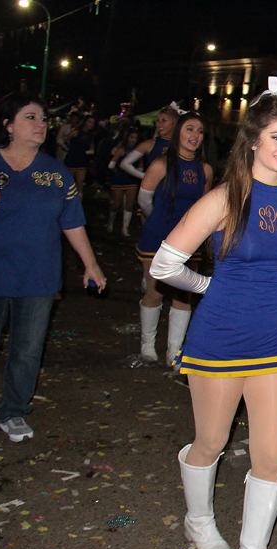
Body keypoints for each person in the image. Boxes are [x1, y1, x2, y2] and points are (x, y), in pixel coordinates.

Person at [150, 78, 277, 549]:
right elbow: (165, 263)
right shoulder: (224, 198)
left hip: (275, 340)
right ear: (252, 141)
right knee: (211, 442)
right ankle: (198, 521)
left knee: (271, 457)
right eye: (276, 138)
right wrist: (206, 285)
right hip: (218, 338)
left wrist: (276, 284)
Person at [0, 92, 106, 442]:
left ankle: (13, 411)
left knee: (26, 351)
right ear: (8, 125)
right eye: (30, 117)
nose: (41, 124)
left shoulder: (56, 174)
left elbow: (72, 223)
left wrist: (91, 265)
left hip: (37, 277)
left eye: (43, 119)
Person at [136, 112, 213, 367]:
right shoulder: (160, 164)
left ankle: (174, 353)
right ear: (179, 131)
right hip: (156, 237)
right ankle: (147, 346)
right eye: (190, 129)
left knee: (183, 297)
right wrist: (158, 221)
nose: (195, 136)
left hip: (189, 243)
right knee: (154, 293)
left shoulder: (205, 170)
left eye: (200, 131)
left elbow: (205, 207)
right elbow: (144, 199)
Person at [118, 104, 179, 183]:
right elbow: (124, 164)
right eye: (158, 121)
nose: (159, 124)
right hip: (155, 191)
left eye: (164, 120)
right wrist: (146, 176)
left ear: (174, 122)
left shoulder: (182, 143)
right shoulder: (150, 144)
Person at [107, 128, 141, 236]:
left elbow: (140, 165)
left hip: (132, 180)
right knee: (116, 204)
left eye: (135, 138)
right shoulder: (121, 149)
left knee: (129, 205)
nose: (133, 140)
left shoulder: (138, 150)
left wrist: (138, 172)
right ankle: (110, 223)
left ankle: (125, 229)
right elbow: (111, 164)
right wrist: (117, 171)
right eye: (132, 137)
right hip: (120, 180)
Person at [63, 114, 96, 196]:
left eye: (93, 123)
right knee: (68, 183)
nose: (91, 124)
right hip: (72, 159)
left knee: (80, 183)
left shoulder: (91, 135)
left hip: (82, 160)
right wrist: (67, 147)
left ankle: (78, 203)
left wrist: (90, 152)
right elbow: (65, 139)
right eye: (89, 122)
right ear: (84, 122)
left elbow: (91, 147)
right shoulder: (76, 132)